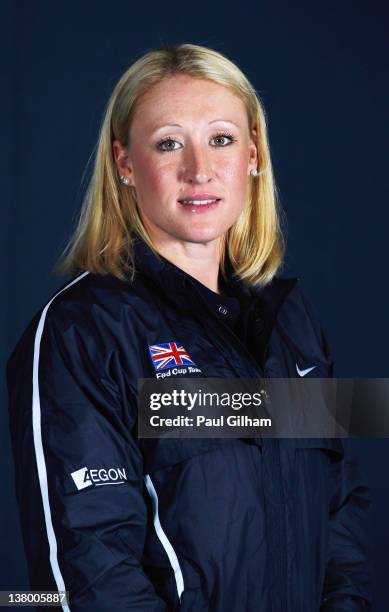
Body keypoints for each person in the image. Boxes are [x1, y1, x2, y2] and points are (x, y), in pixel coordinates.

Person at [7, 43, 371, 611]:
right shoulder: (83, 331)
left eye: (221, 139)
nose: (199, 170)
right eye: (169, 143)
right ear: (125, 164)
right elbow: (87, 570)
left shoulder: (293, 322)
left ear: (254, 155)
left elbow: (340, 514)